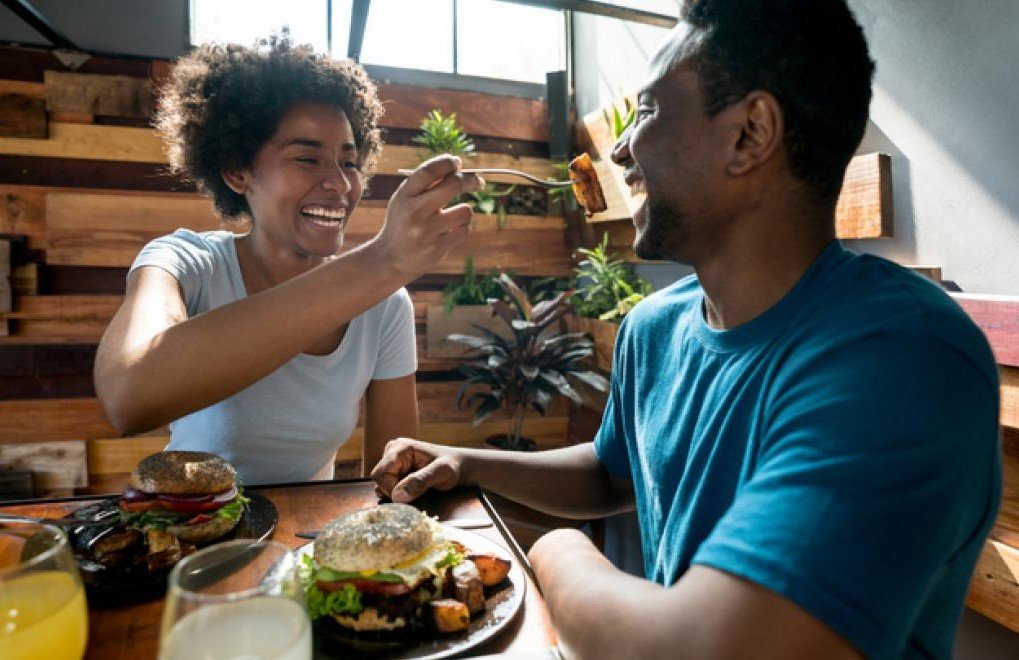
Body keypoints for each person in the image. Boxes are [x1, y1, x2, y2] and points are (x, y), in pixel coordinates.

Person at [371, 2, 1002, 658]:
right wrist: (468, 463)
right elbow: (616, 473)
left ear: (749, 135)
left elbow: (706, 647)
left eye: (645, 112)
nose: (618, 149)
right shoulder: (655, 327)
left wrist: (553, 550)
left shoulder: (899, 357)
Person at [94, 35, 484, 485]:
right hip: (193, 530)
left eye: (349, 162)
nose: (339, 184)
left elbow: (395, 479)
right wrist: (382, 262)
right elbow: (127, 396)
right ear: (237, 171)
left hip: (304, 544)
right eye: (306, 157)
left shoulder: (384, 305)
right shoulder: (185, 263)